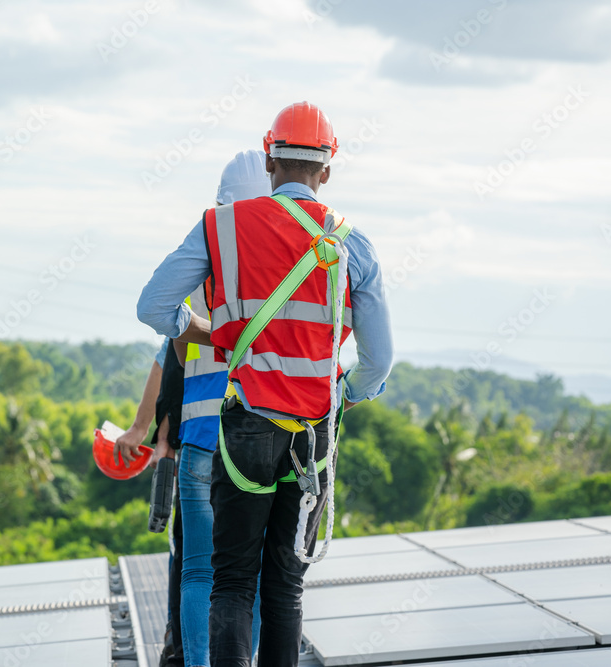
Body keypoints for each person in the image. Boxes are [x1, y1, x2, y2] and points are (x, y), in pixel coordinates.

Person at [137, 102, 393, 666]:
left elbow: (152, 305)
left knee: (231, 581)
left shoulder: (222, 227)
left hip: (245, 428)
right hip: (312, 438)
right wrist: (345, 391)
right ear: (327, 169)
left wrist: (198, 327)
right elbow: (378, 360)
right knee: (285, 585)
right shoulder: (353, 244)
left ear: (270, 156)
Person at [121, 151, 271, 667]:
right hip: (260, 437)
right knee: (250, 572)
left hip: (201, 436)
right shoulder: (284, 265)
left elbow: (174, 349)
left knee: (199, 572)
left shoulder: (208, 259)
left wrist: (213, 334)